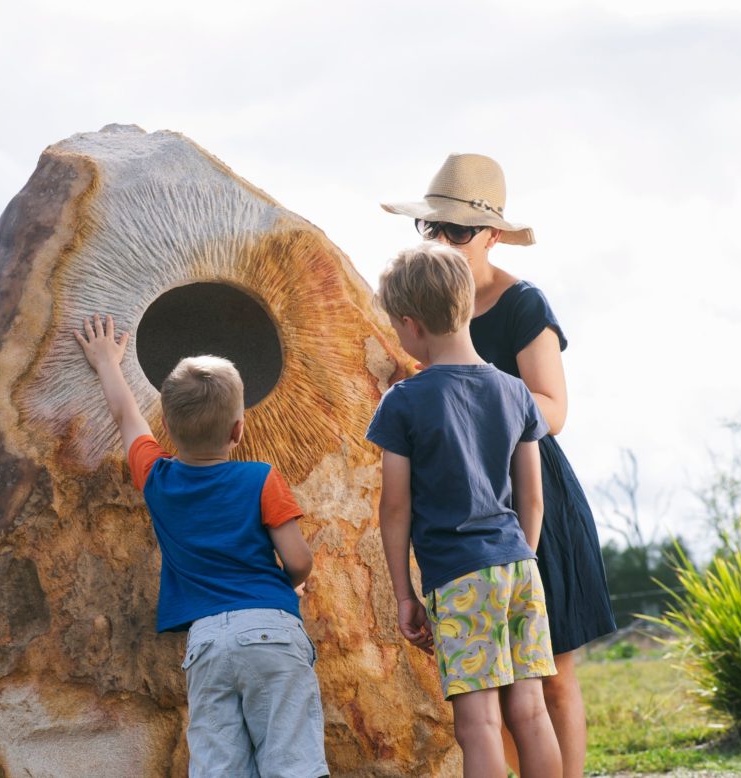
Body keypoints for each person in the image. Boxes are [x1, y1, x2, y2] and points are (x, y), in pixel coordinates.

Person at [381, 153, 616, 777]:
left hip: (528, 490)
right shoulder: (423, 305)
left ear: (491, 234)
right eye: (432, 227)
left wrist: (472, 404)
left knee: (550, 679)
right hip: (467, 500)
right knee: (508, 698)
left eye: (457, 230)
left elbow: (554, 408)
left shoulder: (522, 304)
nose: (443, 240)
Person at [74, 313, 328, 778]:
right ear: (238, 429)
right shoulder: (261, 478)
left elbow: (126, 416)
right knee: (292, 761)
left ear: (167, 428)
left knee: (219, 767)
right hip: (271, 628)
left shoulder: (157, 478)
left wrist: (107, 361)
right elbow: (298, 559)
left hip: (207, 642)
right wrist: (288, 585)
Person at [366, 243, 562, 778]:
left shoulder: (402, 401)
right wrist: (520, 558)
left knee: (478, 726)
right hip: (520, 566)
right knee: (530, 710)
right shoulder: (516, 392)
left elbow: (395, 508)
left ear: (410, 325)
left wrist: (405, 594)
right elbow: (533, 498)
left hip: (458, 577)